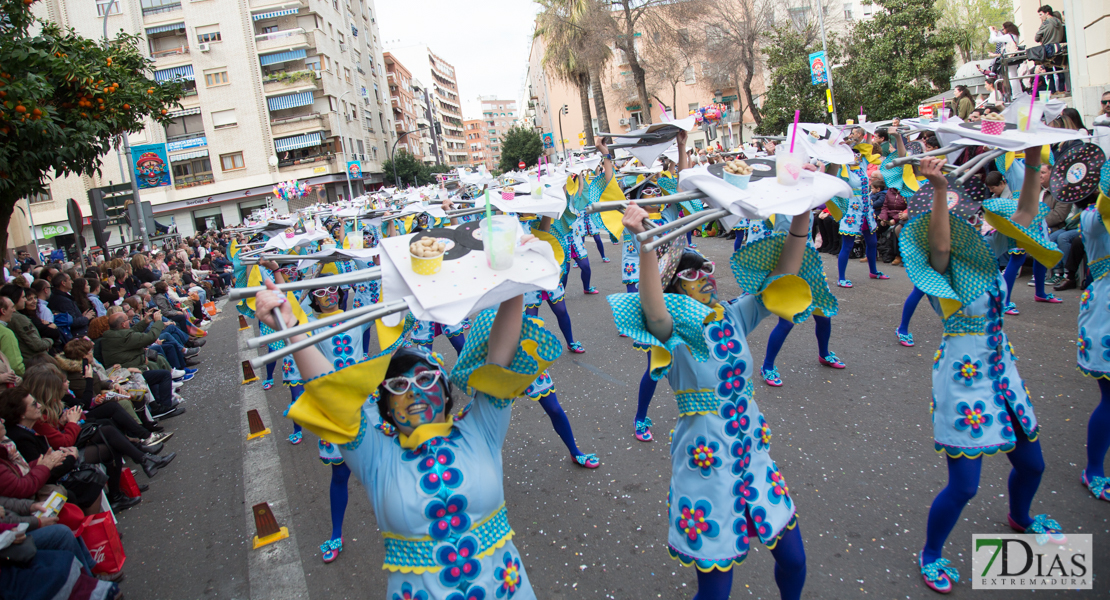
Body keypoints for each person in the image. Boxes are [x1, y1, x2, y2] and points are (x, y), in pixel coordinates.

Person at [256, 269, 553, 598]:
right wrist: (293, 329)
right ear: (385, 409)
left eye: (425, 379)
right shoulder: (375, 458)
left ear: (446, 390)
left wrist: (513, 276)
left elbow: (501, 354)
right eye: (399, 386)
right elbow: (332, 393)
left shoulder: (481, 430)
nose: (414, 392)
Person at [612, 202, 809, 600]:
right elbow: (653, 310)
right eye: (689, 272)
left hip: (754, 458)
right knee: (716, 592)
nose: (703, 276)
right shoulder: (674, 335)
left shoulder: (733, 316)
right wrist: (646, 248)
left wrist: (802, 214)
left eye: (706, 268)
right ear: (674, 288)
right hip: (705, 468)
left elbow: (782, 278)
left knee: (795, 560)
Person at [911, 153, 1066, 593]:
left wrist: (1034, 163)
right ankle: (931, 552)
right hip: (963, 378)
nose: (968, 222)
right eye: (957, 217)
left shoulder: (985, 253)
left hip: (1002, 370)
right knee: (964, 487)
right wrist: (941, 190)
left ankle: (1022, 516)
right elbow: (941, 246)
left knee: (1033, 464)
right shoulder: (939, 265)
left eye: (968, 214)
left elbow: (1026, 213)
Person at [46, 273, 94, 338]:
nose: (72, 282)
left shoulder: (60, 297)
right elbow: (71, 322)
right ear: (63, 283)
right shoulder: (63, 301)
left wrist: (81, 317)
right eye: (69, 280)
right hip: (77, 336)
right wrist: (86, 318)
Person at [1034, 5, 1066, 94]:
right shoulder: (1059, 22)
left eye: (1041, 14)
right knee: (1060, 70)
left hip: (1048, 48)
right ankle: (1062, 89)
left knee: (1049, 71)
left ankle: (1052, 91)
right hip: (1059, 47)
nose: (1040, 17)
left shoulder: (1045, 23)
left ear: (1047, 13)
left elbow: (1036, 37)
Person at [0, 297, 25, 377]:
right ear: (3, 311)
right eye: (12, 307)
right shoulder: (6, 333)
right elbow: (15, 366)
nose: (14, 310)